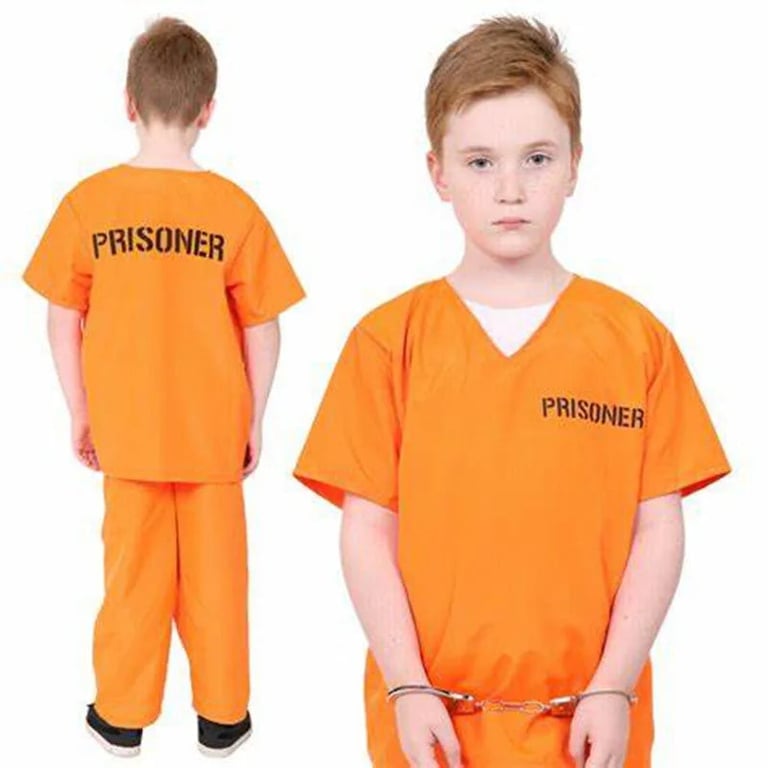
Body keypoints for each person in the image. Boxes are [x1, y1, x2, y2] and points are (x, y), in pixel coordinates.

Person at [292, 14, 731, 767]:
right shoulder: (388, 342)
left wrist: (614, 686)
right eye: (480, 162)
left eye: (537, 158)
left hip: (591, 723)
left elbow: (658, 528)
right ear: (438, 173)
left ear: (575, 165)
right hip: (431, 723)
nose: (510, 190)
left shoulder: (635, 341)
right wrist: (406, 686)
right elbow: (366, 531)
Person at [22, 17, 305, 758]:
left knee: (132, 580)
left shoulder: (88, 204)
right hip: (213, 434)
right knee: (218, 583)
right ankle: (224, 717)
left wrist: (80, 411)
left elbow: (61, 318)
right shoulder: (235, 209)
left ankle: (121, 717)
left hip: (127, 431)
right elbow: (265, 326)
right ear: (208, 109)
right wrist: (255, 418)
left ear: (128, 102)